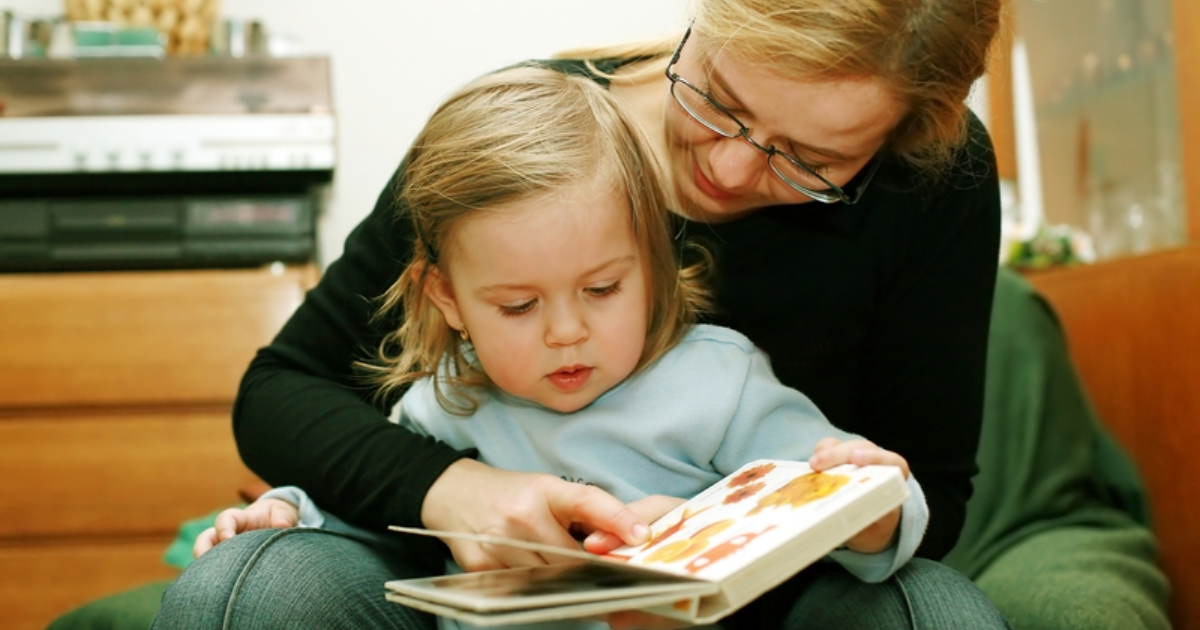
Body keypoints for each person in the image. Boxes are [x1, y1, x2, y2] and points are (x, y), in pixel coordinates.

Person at [152, 0, 1009, 628]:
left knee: (933, 614)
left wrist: (842, 507)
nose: (735, 169)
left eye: (811, 160)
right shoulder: (515, 147)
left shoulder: (726, 368)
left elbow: (907, 495)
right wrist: (452, 493)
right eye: (719, 100)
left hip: (759, 608)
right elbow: (289, 395)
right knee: (251, 588)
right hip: (482, 602)